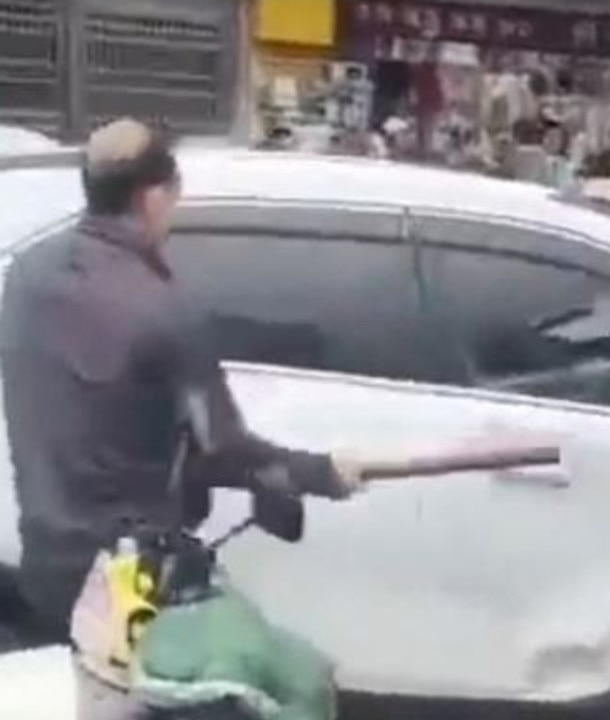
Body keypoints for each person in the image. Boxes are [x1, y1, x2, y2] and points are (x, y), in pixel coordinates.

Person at [0, 120, 367, 712]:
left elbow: (105, 409)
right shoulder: (165, 310)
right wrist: (321, 471)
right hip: (134, 584)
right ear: (153, 196)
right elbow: (222, 447)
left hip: (43, 563)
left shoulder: (24, 276)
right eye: (173, 193)